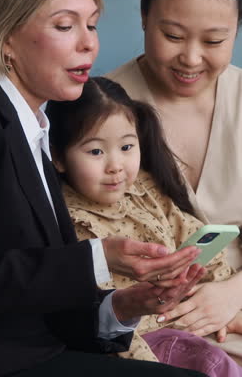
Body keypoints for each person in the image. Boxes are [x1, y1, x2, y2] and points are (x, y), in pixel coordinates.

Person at [0, 0, 208, 377]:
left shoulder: (33, 125)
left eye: (93, 24)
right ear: (6, 35)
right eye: (65, 25)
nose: (89, 42)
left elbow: (43, 296)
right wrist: (100, 257)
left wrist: (126, 305)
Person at [107, 0, 242, 364]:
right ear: (143, 15)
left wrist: (231, 294)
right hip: (153, 326)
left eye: (215, 40)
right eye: (172, 36)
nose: (191, 58)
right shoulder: (100, 108)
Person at [46, 75, 242, 376]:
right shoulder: (69, 221)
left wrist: (227, 306)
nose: (115, 165)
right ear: (59, 157)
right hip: (144, 341)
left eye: (127, 147)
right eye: (96, 151)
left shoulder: (146, 190)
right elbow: (107, 321)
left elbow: (198, 244)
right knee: (216, 365)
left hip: (191, 314)